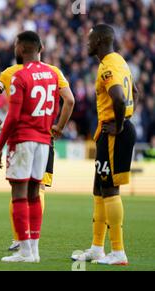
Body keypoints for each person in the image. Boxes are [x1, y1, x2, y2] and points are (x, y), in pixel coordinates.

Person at [0, 38, 75, 252]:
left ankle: (20, 239)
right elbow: (69, 100)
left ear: (20, 49)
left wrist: (0, 126)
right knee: (38, 188)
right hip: (45, 138)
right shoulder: (54, 72)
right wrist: (59, 127)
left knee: (18, 188)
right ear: (41, 49)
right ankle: (34, 243)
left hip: (21, 137)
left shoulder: (12, 72)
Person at [71, 24, 137, 265]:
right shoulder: (119, 61)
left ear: (99, 40)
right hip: (111, 130)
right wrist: (126, 118)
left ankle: (118, 252)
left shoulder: (108, 66)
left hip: (114, 132)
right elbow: (135, 92)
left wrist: (120, 125)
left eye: (89, 40)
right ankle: (97, 248)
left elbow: (120, 97)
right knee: (99, 190)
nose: (87, 44)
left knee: (110, 191)